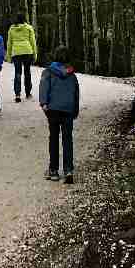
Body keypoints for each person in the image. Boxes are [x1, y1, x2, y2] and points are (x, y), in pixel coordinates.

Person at [38, 45, 80, 184]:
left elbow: (44, 87)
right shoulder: (71, 74)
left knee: (54, 138)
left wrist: (44, 103)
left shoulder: (48, 72)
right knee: (67, 139)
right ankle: (68, 170)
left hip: (53, 110)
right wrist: (75, 110)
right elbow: (75, 94)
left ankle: (54, 170)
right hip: (68, 110)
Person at [5, 12, 38, 102]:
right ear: (24, 19)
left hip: (16, 52)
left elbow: (9, 43)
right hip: (27, 51)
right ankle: (28, 93)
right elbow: (33, 42)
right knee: (27, 72)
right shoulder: (28, 28)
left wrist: (8, 56)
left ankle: (17, 95)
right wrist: (35, 54)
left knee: (17, 73)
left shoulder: (12, 28)